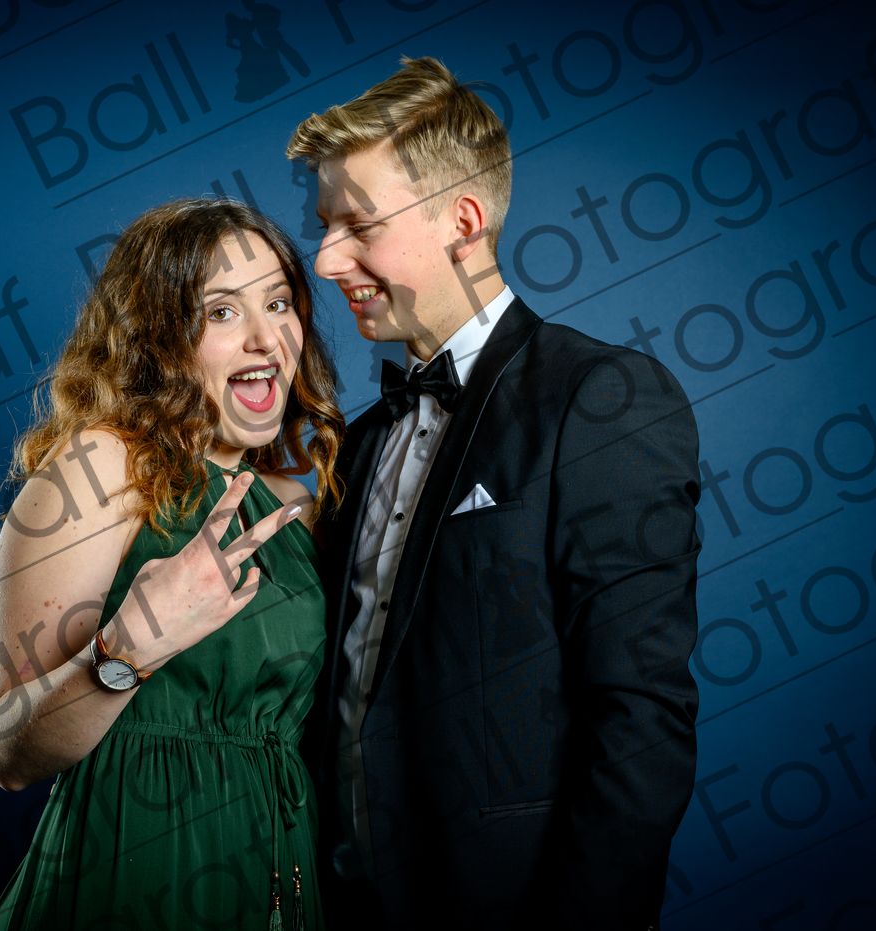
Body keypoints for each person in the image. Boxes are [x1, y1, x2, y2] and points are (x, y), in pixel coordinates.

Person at [287, 57, 702, 928]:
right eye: (325, 228)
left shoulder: (601, 398)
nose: (325, 260)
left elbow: (640, 721)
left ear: (463, 222)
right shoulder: (360, 443)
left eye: (359, 225)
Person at [0, 198, 345, 930]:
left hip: (279, 876)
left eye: (278, 302)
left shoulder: (294, 506)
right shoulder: (101, 467)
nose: (266, 337)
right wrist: (131, 645)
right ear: (157, 337)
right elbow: (8, 750)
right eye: (221, 312)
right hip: (138, 868)